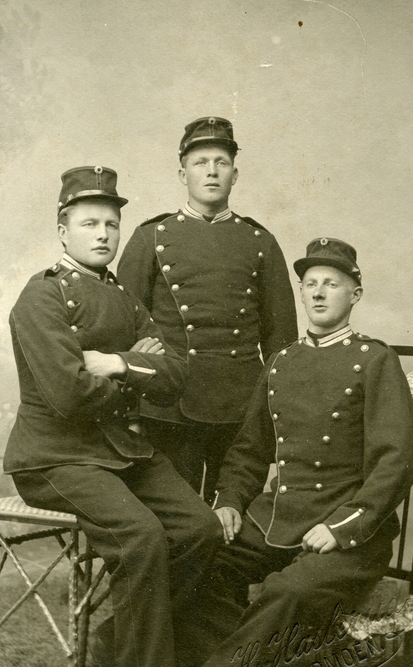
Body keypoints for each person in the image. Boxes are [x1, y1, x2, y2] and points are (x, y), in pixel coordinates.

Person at [3, 166, 224, 667]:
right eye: (89, 223)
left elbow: (176, 375)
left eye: (111, 224)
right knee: (141, 536)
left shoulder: (124, 296)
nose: (103, 234)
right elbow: (68, 394)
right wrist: (134, 366)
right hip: (54, 456)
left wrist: (115, 362)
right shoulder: (42, 297)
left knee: (200, 529)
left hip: (122, 450)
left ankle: (120, 643)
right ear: (63, 229)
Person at [168, 238, 413, 667]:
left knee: (288, 591)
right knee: (200, 561)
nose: (319, 293)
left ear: (356, 294)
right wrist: (229, 502)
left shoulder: (375, 360)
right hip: (277, 517)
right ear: (301, 292)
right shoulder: (281, 362)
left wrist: (342, 528)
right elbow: (249, 450)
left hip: (350, 532)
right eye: (310, 284)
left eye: (332, 284)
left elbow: (397, 462)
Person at [117, 117, 298, 504]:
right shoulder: (150, 237)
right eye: (200, 162)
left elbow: (281, 340)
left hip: (240, 406)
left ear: (235, 174)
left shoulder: (260, 241)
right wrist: (131, 410)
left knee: (232, 513)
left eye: (221, 162)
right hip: (168, 406)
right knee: (177, 517)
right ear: (182, 174)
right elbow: (125, 326)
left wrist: (273, 411)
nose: (212, 171)